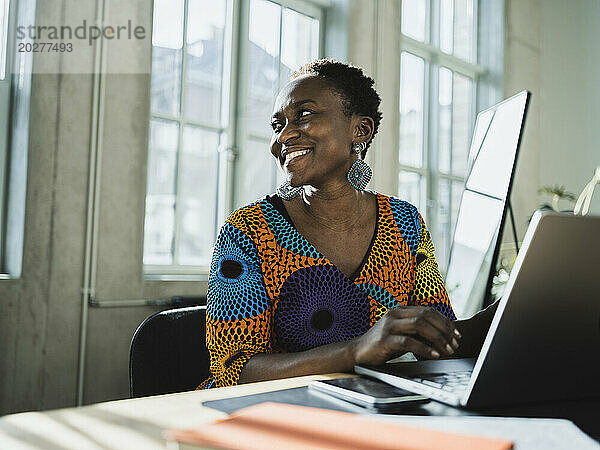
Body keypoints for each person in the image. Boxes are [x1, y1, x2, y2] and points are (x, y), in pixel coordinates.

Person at [198, 59, 496, 390]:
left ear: (360, 130)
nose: (283, 136)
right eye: (276, 123)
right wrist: (356, 350)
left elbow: (438, 341)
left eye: (304, 115)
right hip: (263, 417)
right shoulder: (249, 229)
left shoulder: (404, 222)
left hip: (362, 406)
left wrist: (512, 307)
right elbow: (233, 372)